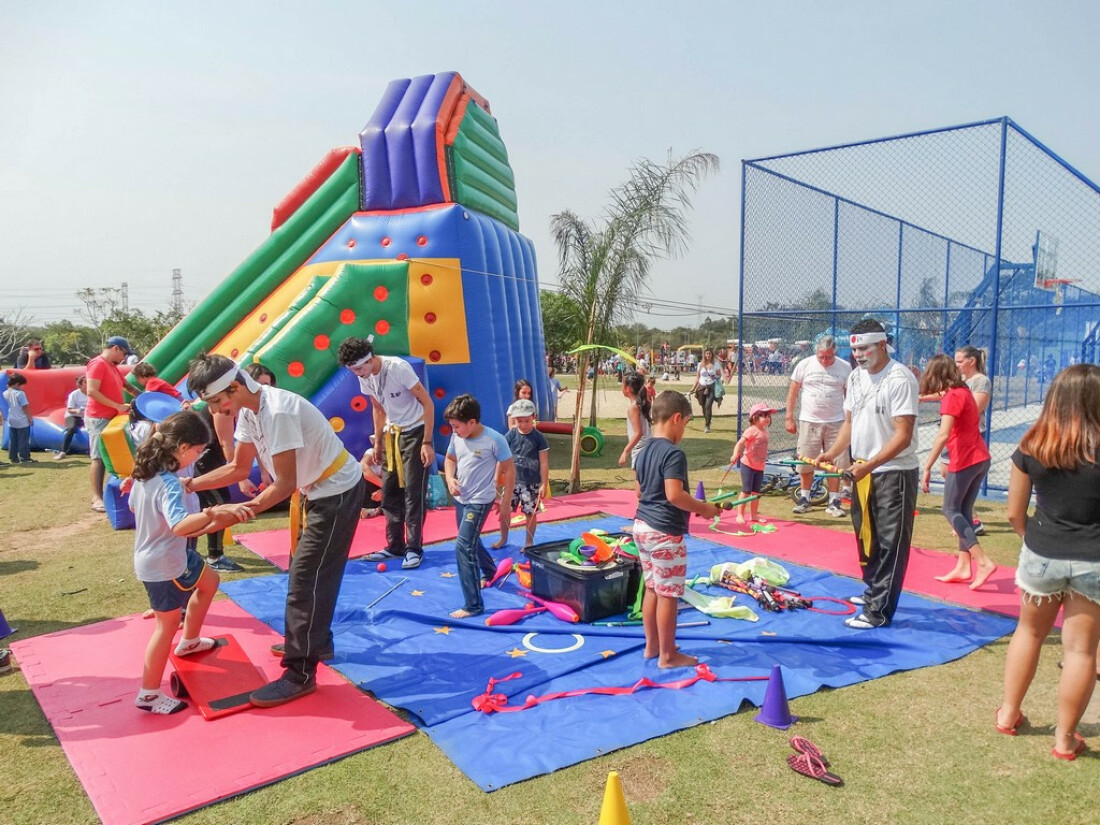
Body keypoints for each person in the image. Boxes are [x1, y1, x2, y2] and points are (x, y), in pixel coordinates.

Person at [185, 353, 365, 707]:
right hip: (318, 490)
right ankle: (317, 641)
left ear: (234, 388)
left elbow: (284, 484)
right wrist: (187, 485)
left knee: (305, 579)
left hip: (337, 491)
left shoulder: (278, 411)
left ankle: (300, 672)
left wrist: (233, 515)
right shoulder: (249, 411)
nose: (216, 411)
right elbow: (238, 468)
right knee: (311, 573)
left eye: (216, 402)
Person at [996, 364, 1100, 760]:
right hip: (1094, 559)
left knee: (1030, 633)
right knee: (1080, 651)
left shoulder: (1033, 443)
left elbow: (1013, 513)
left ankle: (1008, 715)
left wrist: (1033, 540)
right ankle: (1065, 739)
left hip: (1043, 553)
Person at [129, 410, 246, 714]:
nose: (197, 456)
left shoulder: (146, 474)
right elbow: (180, 524)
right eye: (197, 451)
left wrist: (211, 519)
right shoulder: (166, 482)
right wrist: (211, 514)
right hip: (163, 564)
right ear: (182, 448)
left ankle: (191, 640)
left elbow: (135, 506)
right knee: (165, 627)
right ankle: (149, 694)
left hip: (174, 555)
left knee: (210, 582)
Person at [818, 319, 919, 630]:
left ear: (881, 345)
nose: (858, 354)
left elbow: (903, 435)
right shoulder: (857, 377)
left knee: (891, 543)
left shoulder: (900, 379)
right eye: (854, 349)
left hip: (893, 472)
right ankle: (874, 589)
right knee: (867, 538)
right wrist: (834, 452)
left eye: (864, 348)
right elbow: (850, 422)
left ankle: (879, 611)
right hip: (861, 469)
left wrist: (869, 465)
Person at [633, 391, 722, 668]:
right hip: (663, 532)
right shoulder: (673, 453)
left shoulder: (643, 449)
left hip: (641, 526)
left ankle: (653, 646)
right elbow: (674, 495)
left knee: (651, 589)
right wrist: (704, 508)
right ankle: (668, 655)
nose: (683, 430)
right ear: (676, 418)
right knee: (668, 594)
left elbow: (639, 491)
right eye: (685, 423)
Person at [337, 337, 434, 571]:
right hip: (392, 434)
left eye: (360, 368)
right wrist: (378, 442)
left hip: (416, 431)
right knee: (389, 490)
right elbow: (378, 408)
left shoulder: (398, 368)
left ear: (370, 359)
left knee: (413, 492)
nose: (358, 374)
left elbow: (428, 403)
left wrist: (427, 442)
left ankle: (413, 548)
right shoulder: (366, 377)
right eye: (353, 371)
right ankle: (395, 546)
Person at [918, 355, 995, 588]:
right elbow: (942, 396)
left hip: (964, 460)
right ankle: (964, 566)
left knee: (950, 509)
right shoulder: (963, 392)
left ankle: (982, 561)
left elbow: (943, 434)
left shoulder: (952, 397)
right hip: (980, 458)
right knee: (963, 510)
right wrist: (921, 398)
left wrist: (928, 466)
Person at [442, 394, 514, 618]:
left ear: (472, 422)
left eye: (457, 426)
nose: (454, 431)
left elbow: (510, 469)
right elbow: (450, 459)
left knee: (463, 546)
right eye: (452, 426)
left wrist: (505, 502)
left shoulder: (494, 439)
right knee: (471, 539)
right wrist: (450, 479)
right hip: (462, 499)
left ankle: (473, 604)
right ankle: (490, 570)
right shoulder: (457, 437)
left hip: (480, 501)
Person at [785, 335, 852, 517]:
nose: (824, 360)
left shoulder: (845, 368)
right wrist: (789, 417)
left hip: (836, 422)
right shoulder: (805, 365)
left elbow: (849, 396)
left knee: (836, 463)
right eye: (821, 356)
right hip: (809, 420)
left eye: (828, 357)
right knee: (806, 460)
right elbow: (793, 391)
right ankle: (805, 498)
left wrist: (849, 421)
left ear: (835, 353)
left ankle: (834, 501)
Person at [85, 336, 134, 513]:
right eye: (124, 353)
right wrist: (117, 406)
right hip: (98, 418)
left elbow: (127, 386)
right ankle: (96, 497)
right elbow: (91, 391)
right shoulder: (97, 364)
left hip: (113, 418)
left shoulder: (112, 367)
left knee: (115, 457)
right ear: (115, 348)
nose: (124, 357)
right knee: (98, 457)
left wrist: (145, 397)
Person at [493, 398, 548, 550]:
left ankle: (529, 542)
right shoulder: (510, 436)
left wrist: (544, 483)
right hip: (511, 482)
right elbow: (500, 460)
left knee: (530, 513)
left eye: (527, 421)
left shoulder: (539, 438)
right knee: (505, 511)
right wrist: (497, 480)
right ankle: (503, 538)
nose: (523, 425)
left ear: (533, 417)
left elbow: (543, 462)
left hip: (531, 483)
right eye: (519, 421)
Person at [729, 402, 776, 524]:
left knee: (756, 493)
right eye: (764, 416)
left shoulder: (765, 432)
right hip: (748, 465)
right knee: (746, 490)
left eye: (768, 416)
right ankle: (740, 514)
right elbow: (740, 443)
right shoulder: (751, 430)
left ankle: (754, 515)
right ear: (755, 418)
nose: (767, 419)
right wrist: (735, 455)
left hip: (759, 467)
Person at [618, 371, 652, 470]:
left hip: (640, 449)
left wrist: (625, 451)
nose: (621, 387)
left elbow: (638, 433)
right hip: (647, 446)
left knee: (640, 483)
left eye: (622, 384)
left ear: (628, 389)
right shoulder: (641, 403)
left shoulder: (633, 408)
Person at [54, 375, 88, 460]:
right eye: (85, 382)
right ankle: (63, 451)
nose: (88, 384)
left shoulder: (92, 393)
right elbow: (70, 409)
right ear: (80, 385)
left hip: (87, 416)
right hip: (74, 416)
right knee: (71, 428)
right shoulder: (74, 394)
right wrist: (79, 411)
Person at [3, 373, 33, 464]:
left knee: (13, 439)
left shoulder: (5, 392)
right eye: (22, 385)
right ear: (17, 384)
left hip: (11, 419)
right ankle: (24, 457)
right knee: (23, 440)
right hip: (22, 419)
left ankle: (13, 457)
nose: (23, 387)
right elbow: (25, 407)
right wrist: (29, 417)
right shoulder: (20, 393)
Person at [690, 348, 720, 433]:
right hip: (701, 387)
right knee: (703, 406)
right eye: (706, 354)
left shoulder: (716, 364)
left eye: (709, 354)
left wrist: (714, 377)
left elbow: (719, 376)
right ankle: (707, 419)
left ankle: (707, 425)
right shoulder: (700, 364)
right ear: (704, 355)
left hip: (711, 387)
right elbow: (697, 377)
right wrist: (693, 388)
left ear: (712, 355)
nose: (708, 355)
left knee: (708, 406)